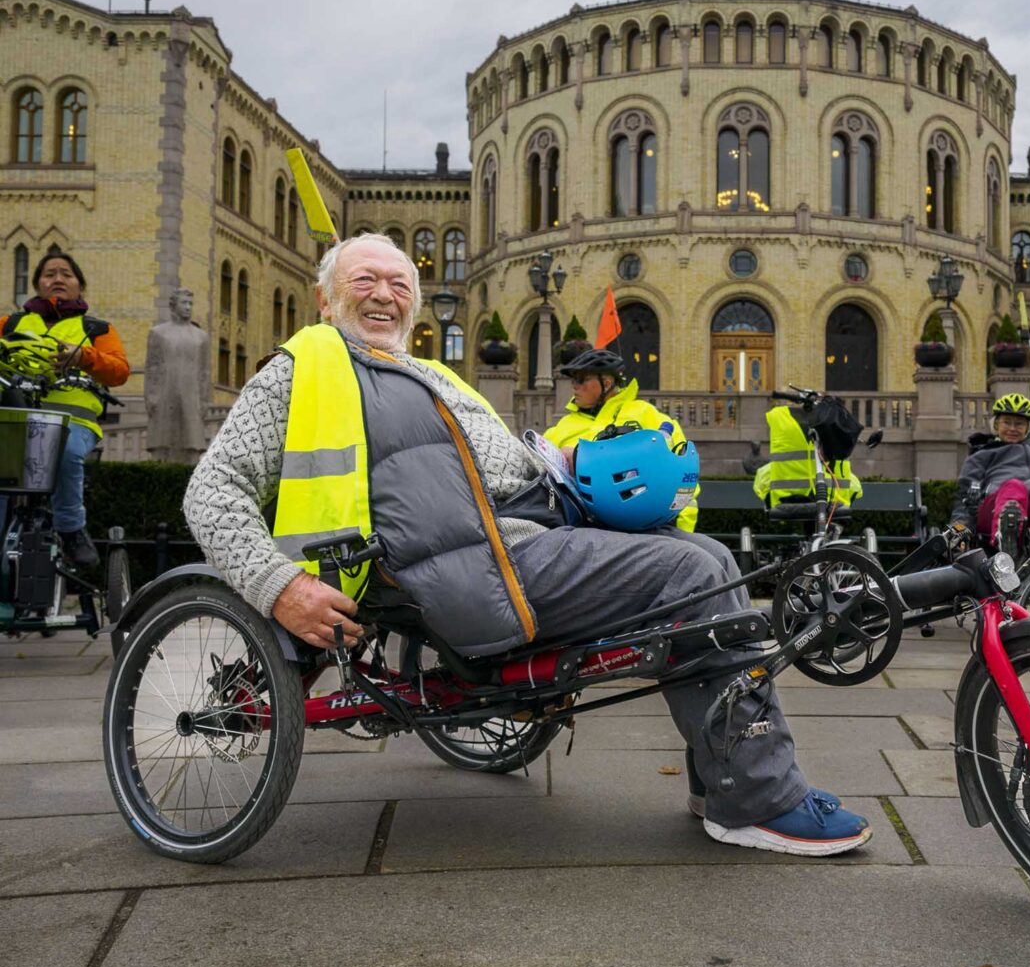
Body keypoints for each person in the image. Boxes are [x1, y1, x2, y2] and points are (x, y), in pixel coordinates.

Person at [184, 233, 870, 856]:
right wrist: (283, 588)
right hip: (464, 572)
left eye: (399, 284)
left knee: (712, 561)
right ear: (326, 298)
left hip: (515, 539)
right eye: (365, 280)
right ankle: (760, 799)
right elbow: (209, 494)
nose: (384, 294)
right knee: (692, 576)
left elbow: (510, 470)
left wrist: (574, 471)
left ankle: (725, 782)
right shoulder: (300, 371)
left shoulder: (431, 377)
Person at [3, 252, 129, 567]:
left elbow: (119, 371)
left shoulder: (95, 328)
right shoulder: (12, 323)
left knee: (67, 451)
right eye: (49, 274)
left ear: (79, 286)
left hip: (73, 421)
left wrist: (85, 357)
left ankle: (71, 529)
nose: (57, 279)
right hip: (16, 421)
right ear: (37, 285)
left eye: (66, 274)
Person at [545, 347, 698, 532]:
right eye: (573, 380)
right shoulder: (561, 427)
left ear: (607, 382)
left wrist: (680, 531)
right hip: (580, 528)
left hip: (646, 526)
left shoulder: (645, 414)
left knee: (716, 554)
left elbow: (682, 474)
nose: (574, 386)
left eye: (581, 379)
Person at [948, 393, 1030, 548]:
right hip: (994, 509)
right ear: (996, 426)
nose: (1012, 429)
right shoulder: (982, 454)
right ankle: (1005, 539)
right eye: (1007, 423)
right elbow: (964, 497)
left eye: (1019, 424)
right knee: (1014, 486)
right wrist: (958, 530)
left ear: (1027, 428)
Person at [145, 287, 212, 464]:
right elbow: (152, 367)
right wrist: (151, 397)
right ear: (174, 305)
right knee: (163, 443)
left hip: (191, 395)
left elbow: (204, 372)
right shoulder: (158, 333)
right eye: (184, 303)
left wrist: (204, 400)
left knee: (191, 443)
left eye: (191, 303)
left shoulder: (201, 337)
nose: (188, 307)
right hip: (165, 393)